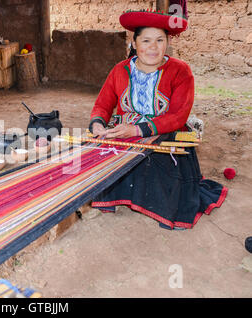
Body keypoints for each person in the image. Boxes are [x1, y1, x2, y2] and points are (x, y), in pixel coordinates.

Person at [88, 9, 228, 230]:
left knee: (161, 160)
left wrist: (137, 131)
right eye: (146, 40)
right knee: (101, 153)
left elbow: (178, 115)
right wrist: (97, 124)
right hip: (124, 131)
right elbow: (103, 105)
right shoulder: (119, 70)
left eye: (159, 40)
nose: (153, 47)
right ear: (134, 43)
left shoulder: (181, 71)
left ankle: (167, 206)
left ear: (167, 42)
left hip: (166, 132)